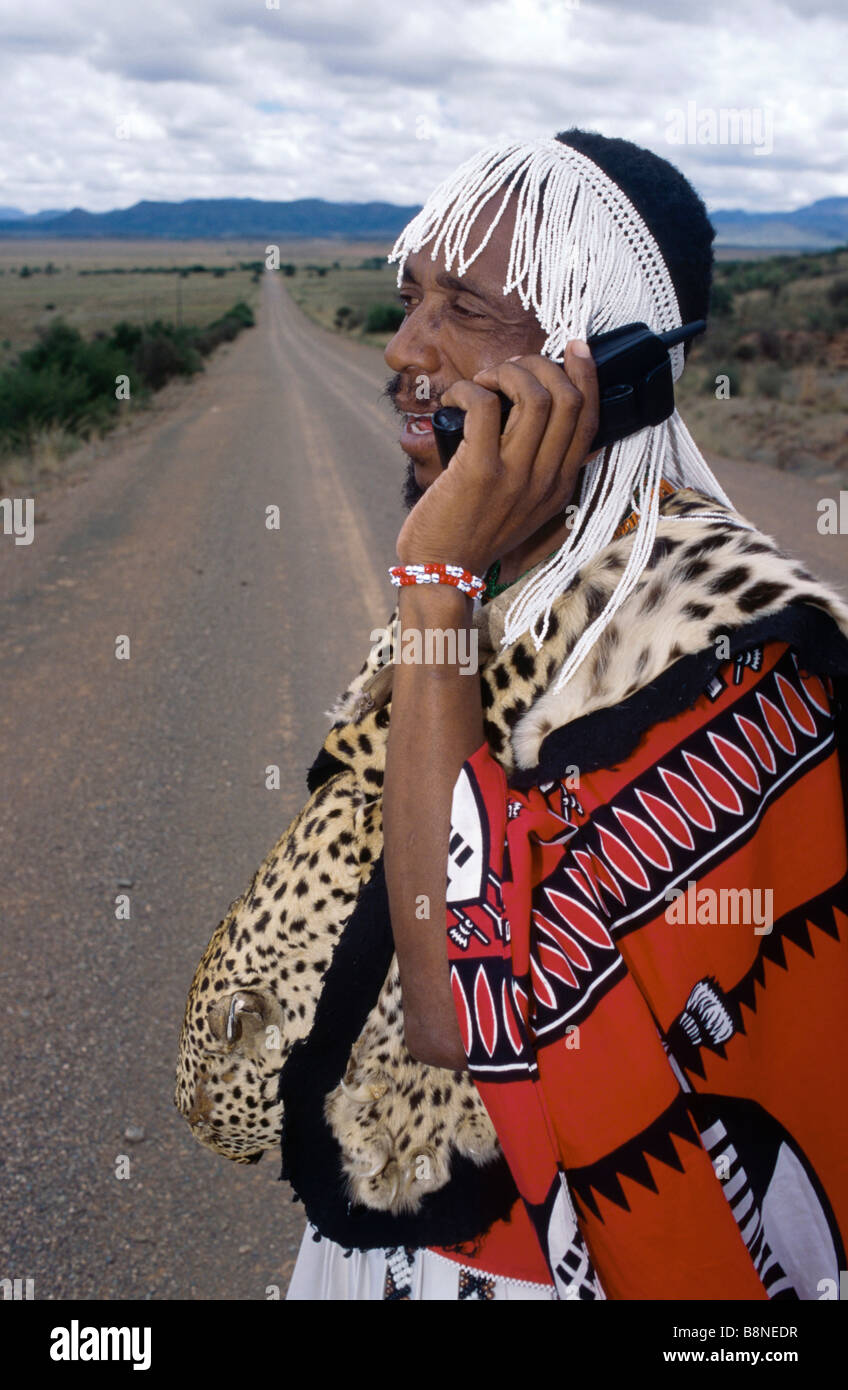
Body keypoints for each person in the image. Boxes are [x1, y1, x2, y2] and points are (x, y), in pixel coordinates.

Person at [284, 129, 848, 1300]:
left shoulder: (730, 656)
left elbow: (454, 1005)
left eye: (461, 309)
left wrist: (432, 582)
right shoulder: (506, 572)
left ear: (610, 364)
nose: (401, 349)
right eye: (406, 301)